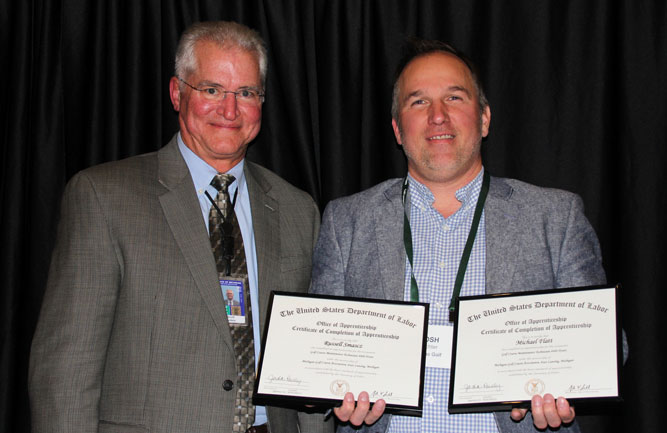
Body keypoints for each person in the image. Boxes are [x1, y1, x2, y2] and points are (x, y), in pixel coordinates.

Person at [29, 21, 329, 433]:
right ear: (177, 93)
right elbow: (65, 371)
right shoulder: (103, 196)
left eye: (246, 93)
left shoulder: (298, 210)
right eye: (211, 90)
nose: (229, 109)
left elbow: (306, 366)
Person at [310, 38, 617, 433]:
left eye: (454, 98)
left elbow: (606, 344)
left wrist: (569, 385)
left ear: (484, 118)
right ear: (397, 128)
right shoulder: (346, 222)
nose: (438, 116)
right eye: (418, 102)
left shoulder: (555, 217)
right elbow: (319, 357)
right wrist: (336, 394)